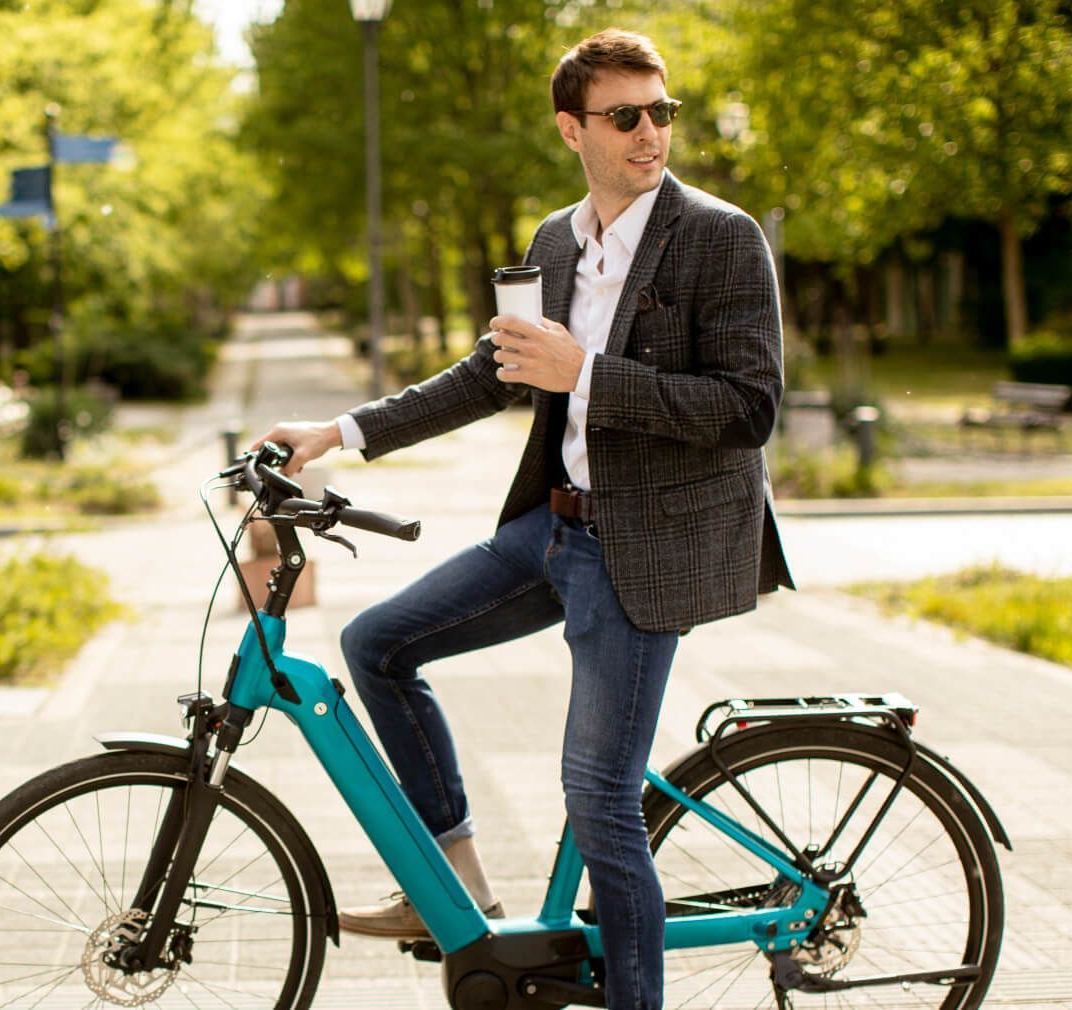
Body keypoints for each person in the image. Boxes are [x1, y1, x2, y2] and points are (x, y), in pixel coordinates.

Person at [253, 27, 793, 1010]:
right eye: (623, 116)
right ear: (571, 130)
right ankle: (455, 888)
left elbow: (749, 406)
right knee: (376, 644)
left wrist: (587, 372)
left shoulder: (720, 235)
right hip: (554, 528)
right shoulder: (556, 240)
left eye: (661, 111)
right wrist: (337, 431)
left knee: (599, 800)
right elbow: (488, 375)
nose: (650, 132)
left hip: (647, 548)